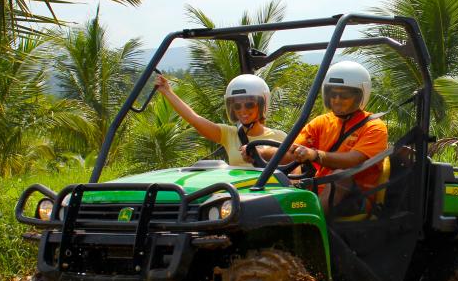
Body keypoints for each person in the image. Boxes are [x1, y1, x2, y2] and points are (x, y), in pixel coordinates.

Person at [250, 61, 389, 214]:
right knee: (293, 170)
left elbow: (353, 159)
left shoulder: (374, 127)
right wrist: (261, 152)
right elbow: (291, 151)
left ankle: (311, 221)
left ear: (360, 95)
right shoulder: (322, 122)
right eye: (332, 94)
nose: (336, 99)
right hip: (318, 190)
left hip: (355, 198)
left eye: (344, 95)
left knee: (339, 176)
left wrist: (316, 155)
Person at [154, 73, 286, 167]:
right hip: (237, 197)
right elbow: (194, 119)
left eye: (249, 104)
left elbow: (293, 170)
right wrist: (167, 92)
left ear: (262, 104)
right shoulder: (229, 134)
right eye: (237, 106)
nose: (243, 110)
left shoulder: (279, 137)